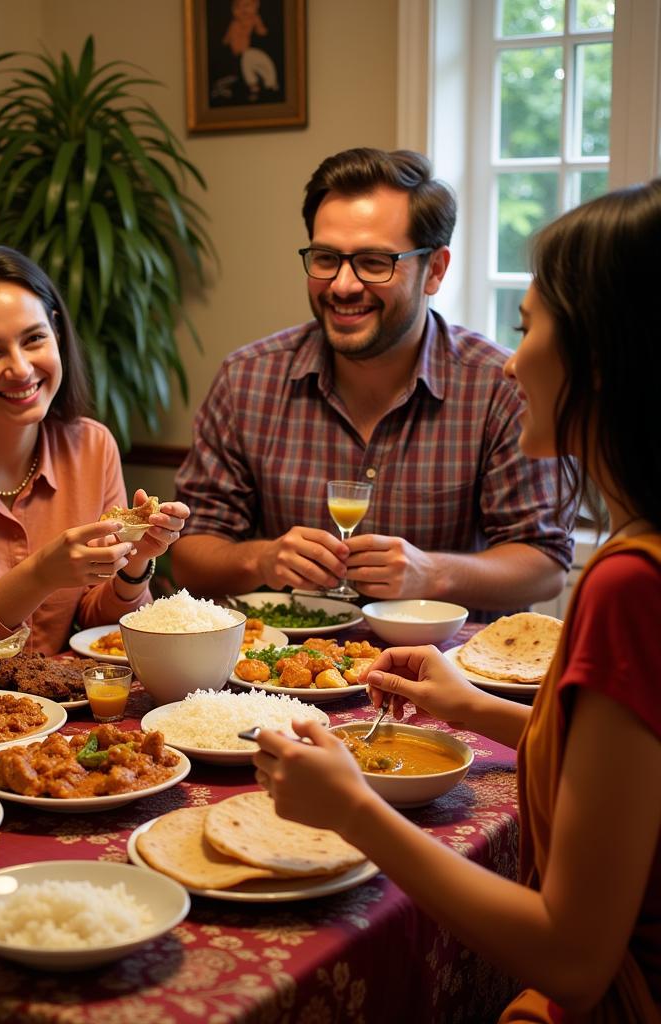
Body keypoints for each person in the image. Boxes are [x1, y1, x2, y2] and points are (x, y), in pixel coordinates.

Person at [254, 181, 661, 1020]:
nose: (513, 361)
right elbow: (619, 771)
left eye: (531, 329)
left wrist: (354, 810)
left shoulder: (631, 585)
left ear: (601, 357)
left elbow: (573, 959)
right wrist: (473, 707)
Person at [171, 148, 573, 614]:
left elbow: (544, 566)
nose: (342, 285)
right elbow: (189, 556)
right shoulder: (248, 380)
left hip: (446, 673)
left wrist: (434, 573)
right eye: (325, 258)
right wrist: (261, 559)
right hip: (280, 673)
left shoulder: (498, 388)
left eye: (374, 262)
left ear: (435, 270)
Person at [0, 244, 189, 654]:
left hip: (69, 709)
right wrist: (38, 575)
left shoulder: (93, 446)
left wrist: (134, 564)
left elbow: (98, 630)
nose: (22, 369)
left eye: (33, 339)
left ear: (57, 333)